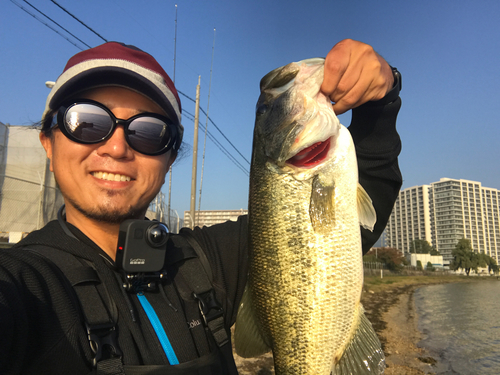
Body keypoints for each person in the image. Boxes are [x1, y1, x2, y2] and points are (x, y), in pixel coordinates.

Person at [0, 39, 402, 374]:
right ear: (48, 142)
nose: (117, 147)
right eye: (87, 122)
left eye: (148, 131)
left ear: (169, 157)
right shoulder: (25, 285)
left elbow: (352, 222)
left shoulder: (204, 262)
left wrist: (378, 105)